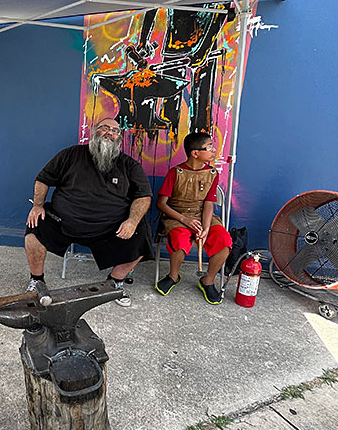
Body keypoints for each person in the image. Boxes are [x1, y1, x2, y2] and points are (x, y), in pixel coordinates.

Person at [25, 118, 154, 307]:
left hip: (111, 228)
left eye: (115, 131)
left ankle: (114, 283)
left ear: (119, 138)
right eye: (105, 128)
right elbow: (43, 178)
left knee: (141, 234)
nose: (110, 132)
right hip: (64, 221)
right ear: (94, 132)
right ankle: (37, 280)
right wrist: (37, 205)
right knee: (35, 227)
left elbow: (144, 196)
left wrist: (132, 221)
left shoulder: (129, 165)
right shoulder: (71, 154)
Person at [155, 132, 232, 304]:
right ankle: (173, 276)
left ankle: (208, 280)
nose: (214, 150)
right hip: (178, 216)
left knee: (224, 241)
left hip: (203, 215)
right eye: (209, 147)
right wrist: (185, 220)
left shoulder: (212, 173)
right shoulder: (176, 173)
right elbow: (161, 204)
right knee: (178, 239)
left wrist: (205, 229)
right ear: (195, 153)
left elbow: (209, 204)